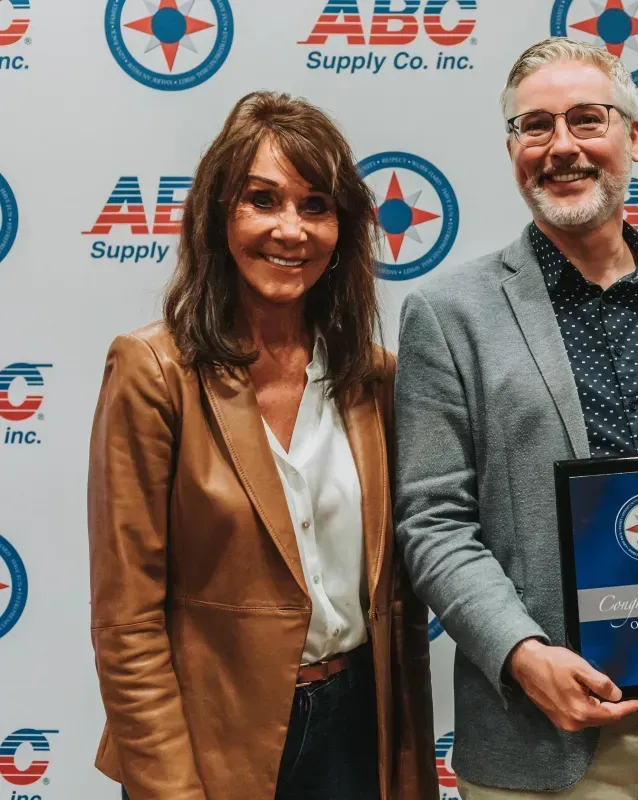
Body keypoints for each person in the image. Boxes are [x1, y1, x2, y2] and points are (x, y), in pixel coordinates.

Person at [394, 38, 638, 799]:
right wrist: (520, 653)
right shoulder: (449, 316)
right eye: (535, 127)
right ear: (512, 147)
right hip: (543, 731)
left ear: (633, 137)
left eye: (587, 120)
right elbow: (431, 521)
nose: (562, 148)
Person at [87, 91, 437, 800]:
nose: (291, 229)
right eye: (263, 200)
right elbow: (127, 624)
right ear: (220, 216)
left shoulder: (373, 377)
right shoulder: (153, 370)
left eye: (315, 206)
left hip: (355, 731)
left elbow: (400, 597)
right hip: (212, 742)